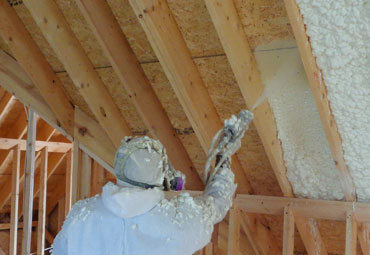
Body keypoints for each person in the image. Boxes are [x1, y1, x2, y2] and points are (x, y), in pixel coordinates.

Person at [52, 123, 245, 254]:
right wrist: (224, 160)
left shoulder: (82, 215)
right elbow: (216, 204)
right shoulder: (178, 220)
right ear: (161, 176)